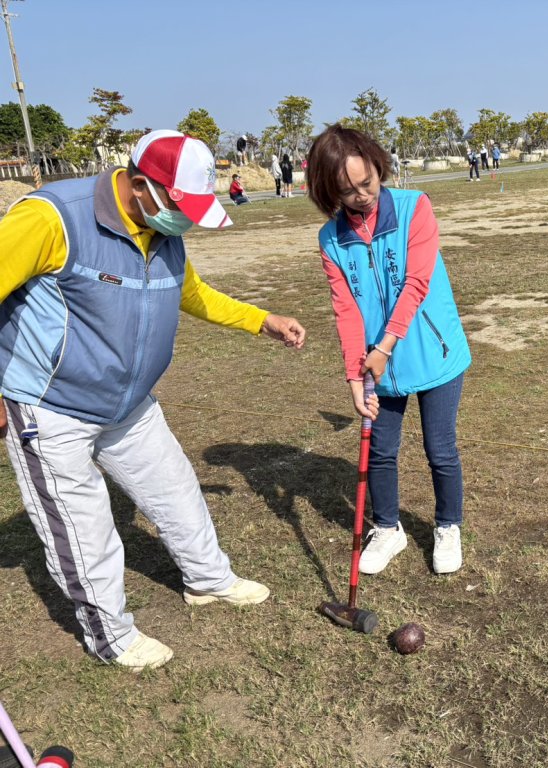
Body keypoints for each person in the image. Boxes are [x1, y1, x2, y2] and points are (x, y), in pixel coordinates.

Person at [0, 129, 307, 671]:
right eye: (180, 207)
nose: (185, 221)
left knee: (175, 491)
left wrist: (262, 321)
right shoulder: (51, 218)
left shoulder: (164, 233)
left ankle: (209, 581)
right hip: (50, 407)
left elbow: (189, 293)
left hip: (130, 404)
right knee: (85, 528)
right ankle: (111, 636)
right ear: (141, 186)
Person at [307, 127, 471, 576]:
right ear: (328, 192)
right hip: (379, 366)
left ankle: (447, 526)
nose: (361, 196)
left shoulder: (416, 207)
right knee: (380, 450)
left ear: (380, 167)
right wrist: (355, 374)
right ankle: (387, 527)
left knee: (440, 449)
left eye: (368, 183)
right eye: (347, 191)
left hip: (433, 354)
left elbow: (416, 283)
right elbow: (346, 311)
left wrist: (384, 346)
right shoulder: (331, 239)